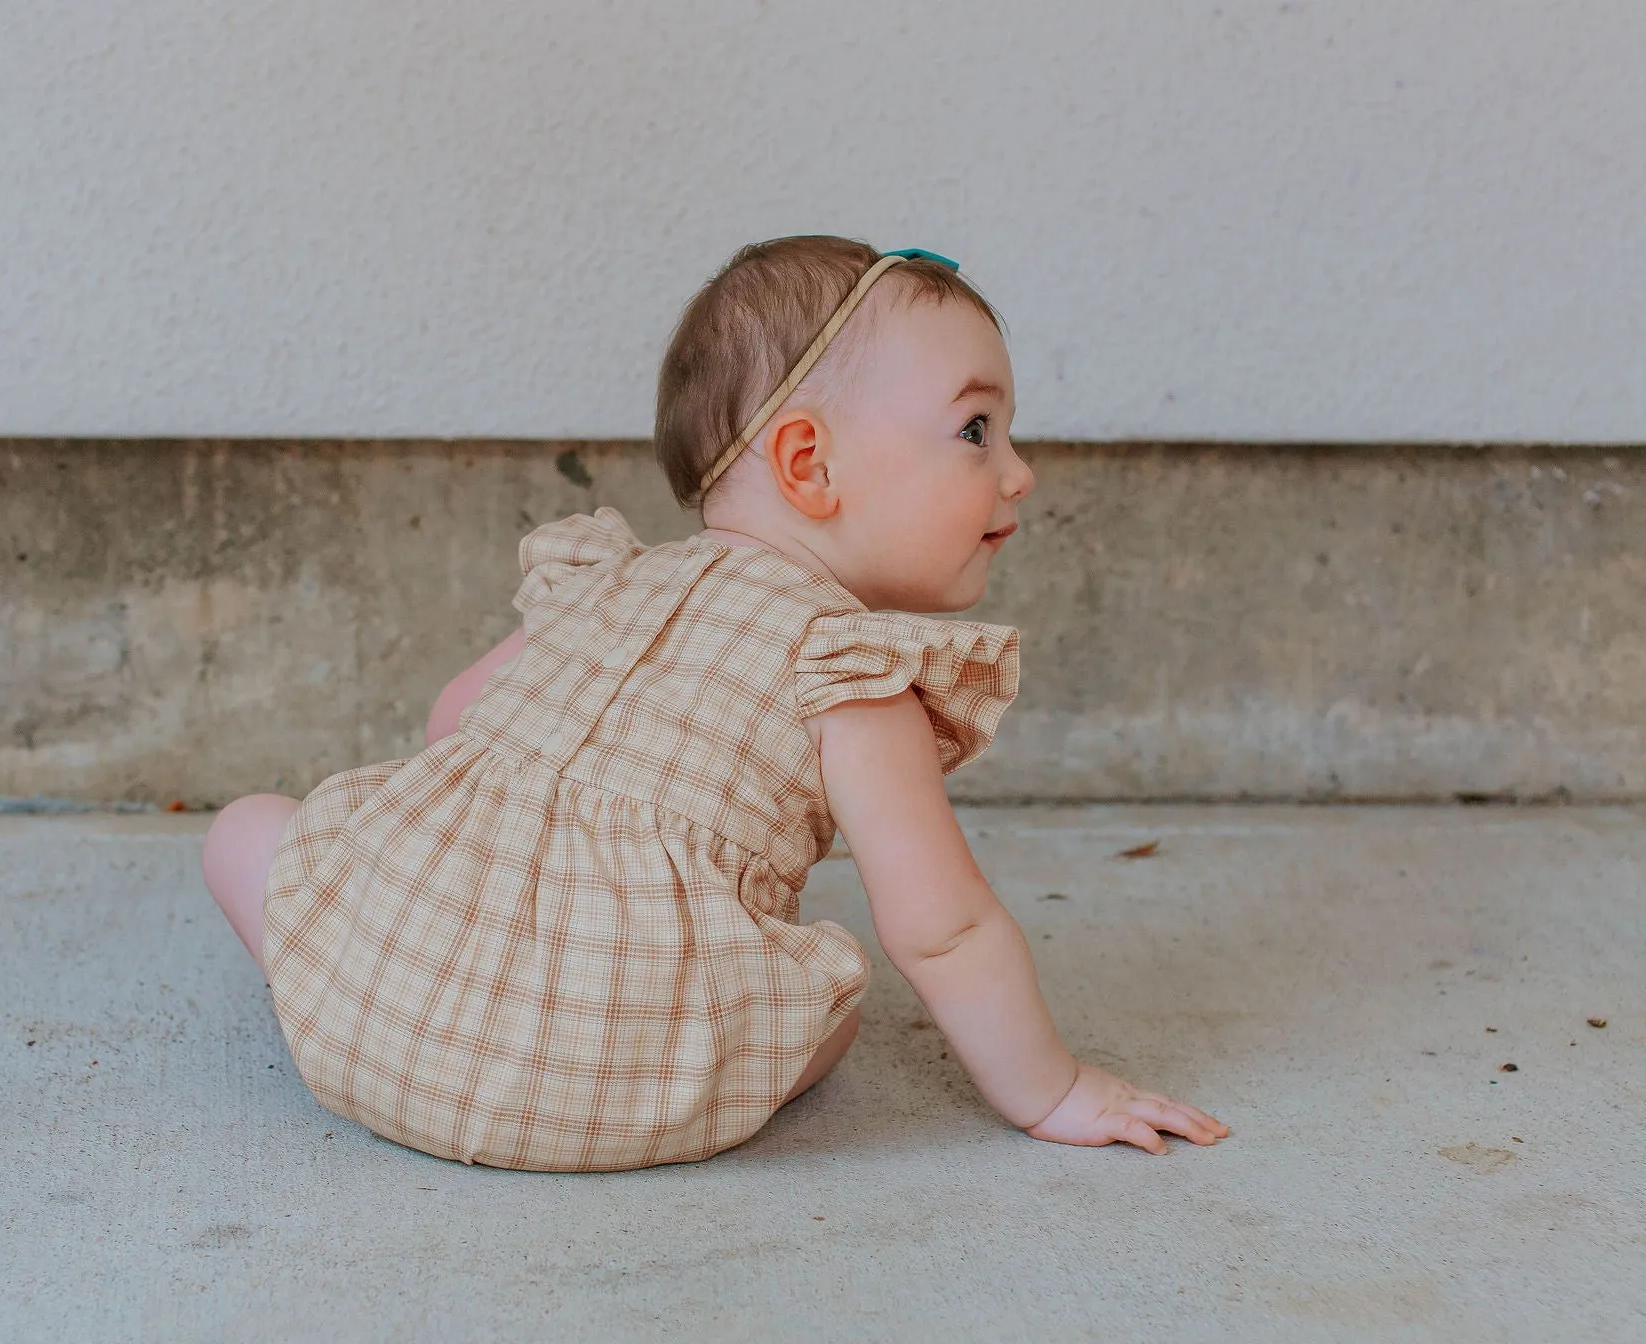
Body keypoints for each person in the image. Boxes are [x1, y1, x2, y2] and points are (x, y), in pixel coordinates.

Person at [202, 235, 1228, 1171]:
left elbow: (449, 723)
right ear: (807, 464)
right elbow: (941, 929)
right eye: (975, 429)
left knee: (247, 831)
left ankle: (365, 999)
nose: (1018, 473)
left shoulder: (602, 578)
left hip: (377, 1018)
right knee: (832, 1012)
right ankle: (623, 1060)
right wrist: (1051, 1090)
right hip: (598, 1084)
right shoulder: (846, 666)